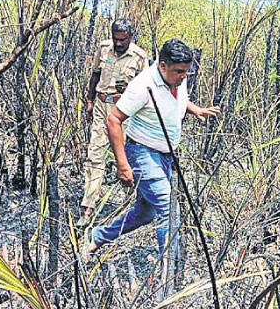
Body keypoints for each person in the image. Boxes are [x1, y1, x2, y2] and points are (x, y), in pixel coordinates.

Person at [85, 39, 219, 260]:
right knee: (168, 207)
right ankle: (168, 271)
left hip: (166, 155)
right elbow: (113, 119)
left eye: (187, 72)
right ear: (163, 66)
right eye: (179, 72)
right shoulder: (142, 86)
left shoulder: (177, 77)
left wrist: (195, 109)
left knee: (145, 213)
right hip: (142, 152)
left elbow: (177, 99)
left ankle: (98, 237)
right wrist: (122, 165)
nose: (184, 76)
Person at [77, 18, 148, 227]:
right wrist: (89, 101)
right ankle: (88, 207)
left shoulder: (140, 57)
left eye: (122, 40)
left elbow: (146, 90)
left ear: (130, 37)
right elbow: (95, 75)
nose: (118, 43)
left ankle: (129, 204)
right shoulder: (104, 48)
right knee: (95, 155)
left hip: (124, 110)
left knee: (124, 156)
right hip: (101, 106)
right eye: (115, 39)